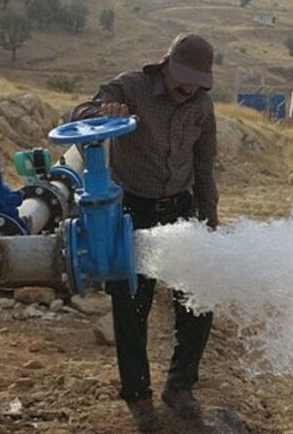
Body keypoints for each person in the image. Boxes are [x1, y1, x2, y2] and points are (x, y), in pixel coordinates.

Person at [71, 33, 218, 432]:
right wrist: (104, 111)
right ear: (167, 62)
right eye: (184, 77)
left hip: (181, 211)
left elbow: (204, 167)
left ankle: (180, 386)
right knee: (132, 308)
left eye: (197, 81)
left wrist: (209, 223)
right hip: (133, 212)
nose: (188, 87)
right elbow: (80, 114)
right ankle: (138, 398)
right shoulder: (131, 87)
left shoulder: (202, 106)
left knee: (199, 301)